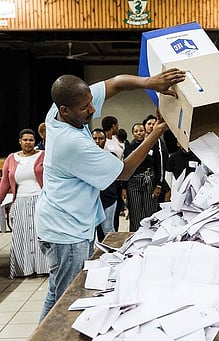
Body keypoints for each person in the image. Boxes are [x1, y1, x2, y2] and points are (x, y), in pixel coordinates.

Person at [35, 68, 186, 321]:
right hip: (67, 230)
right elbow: (124, 171)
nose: (93, 110)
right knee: (66, 300)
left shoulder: (57, 112)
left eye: (90, 102)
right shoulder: (73, 143)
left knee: (55, 291)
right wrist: (156, 132)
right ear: (65, 110)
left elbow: (115, 83)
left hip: (55, 220)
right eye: (85, 108)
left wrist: (149, 82)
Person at [0, 129, 49, 279]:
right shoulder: (11, 158)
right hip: (20, 201)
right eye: (25, 140)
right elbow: (5, 183)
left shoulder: (43, 155)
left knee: (40, 234)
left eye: (31, 140)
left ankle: (44, 267)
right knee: (22, 237)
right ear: (20, 141)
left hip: (40, 200)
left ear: (35, 142)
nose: (28, 142)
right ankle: (24, 269)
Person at [122, 123, 162, 232]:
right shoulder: (129, 148)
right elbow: (124, 168)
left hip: (149, 180)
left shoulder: (152, 145)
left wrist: (158, 184)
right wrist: (124, 188)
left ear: (145, 132)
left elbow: (159, 166)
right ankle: (135, 235)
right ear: (133, 133)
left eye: (141, 131)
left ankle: (151, 234)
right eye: (136, 131)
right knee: (135, 212)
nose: (139, 133)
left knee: (150, 211)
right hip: (133, 182)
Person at [91, 128, 120, 241]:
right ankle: (90, 256)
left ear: (105, 140)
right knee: (90, 230)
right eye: (95, 138)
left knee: (108, 228)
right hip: (90, 198)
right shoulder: (85, 158)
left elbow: (117, 176)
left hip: (108, 197)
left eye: (101, 138)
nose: (98, 141)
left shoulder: (111, 156)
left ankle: (112, 254)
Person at [143, 113, 170, 203]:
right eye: (149, 124)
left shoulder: (159, 142)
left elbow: (162, 165)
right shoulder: (141, 142)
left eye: (153, 124)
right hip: (142, 183)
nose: (151, 126)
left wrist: (159, 184)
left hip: (155, 182)